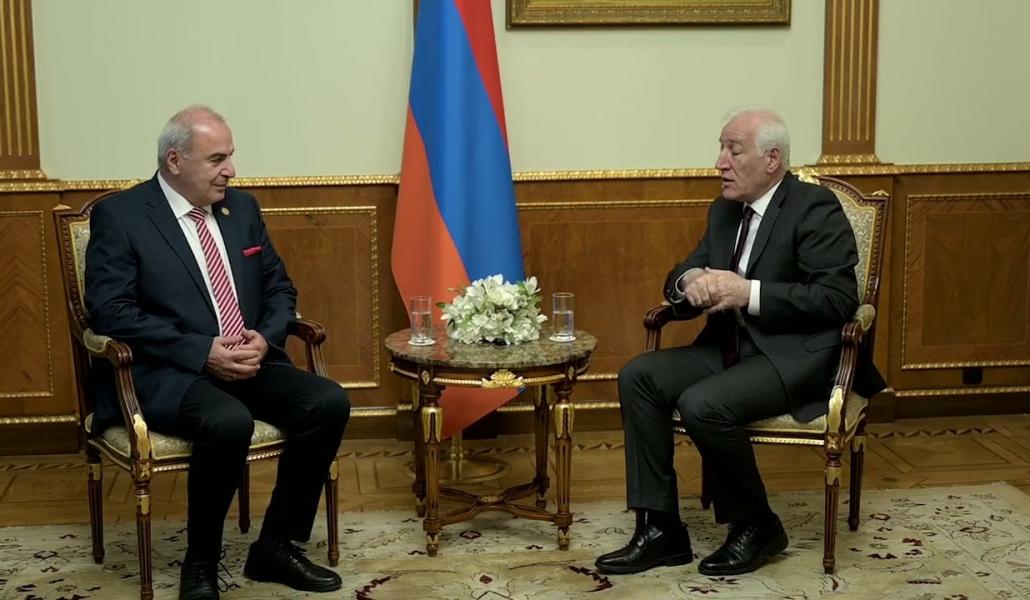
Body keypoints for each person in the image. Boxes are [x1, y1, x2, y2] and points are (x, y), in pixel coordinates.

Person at [594, 108, 886, 577]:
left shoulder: (813, 207)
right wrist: (690, 281)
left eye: (733, 150)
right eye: (721, 148)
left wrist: (747, 293)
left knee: (703, 404)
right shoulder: (724, 210)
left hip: (795, 354)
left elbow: (836, 300)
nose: (720, 162)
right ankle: (661, 529)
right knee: (639, 376)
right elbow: (684, 271)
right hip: (728, 347)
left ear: (772, 160)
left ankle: (757, 525)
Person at [85, 106, 350, 600]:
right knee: (228, 421)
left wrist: (264, 337)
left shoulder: (241, 209)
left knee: (327, 402)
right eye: (217, 159)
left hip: (248, 359)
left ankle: (275, 546)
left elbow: (279, 288)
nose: (231, 170)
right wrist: (201, 350)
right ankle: (201, 563)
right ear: (174, 160)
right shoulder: (122, 216)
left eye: (230, 157)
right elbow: (111, 313)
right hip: (168, 370)